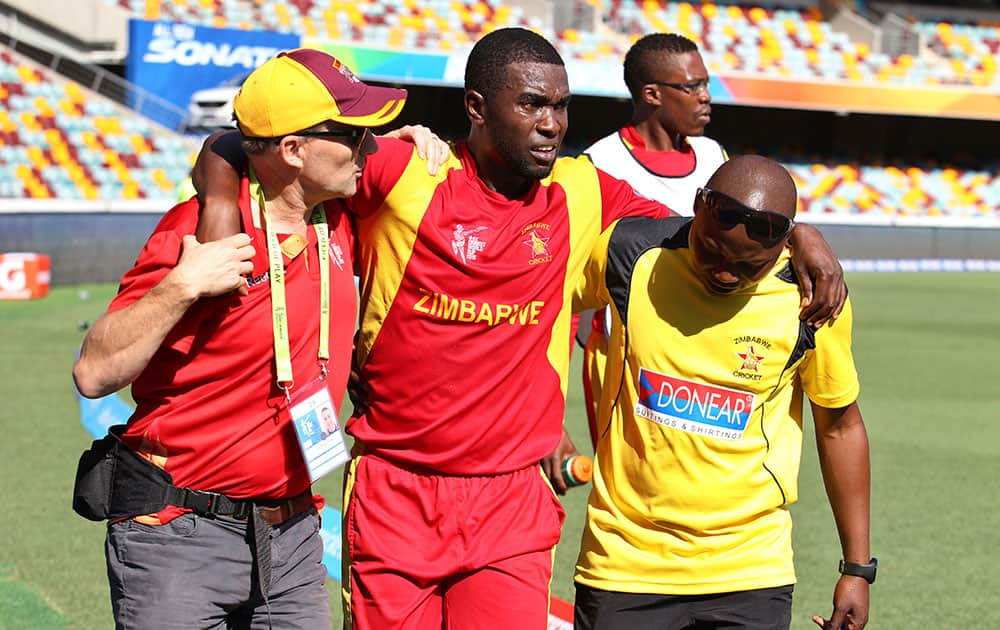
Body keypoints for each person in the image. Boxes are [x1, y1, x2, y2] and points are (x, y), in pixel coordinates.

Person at [193, 31, 845, 629]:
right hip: (397, 488)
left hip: (513, 501)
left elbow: (716, 220)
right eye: (533, 105)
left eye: (561, 107)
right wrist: (221, 205)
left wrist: (797, 232)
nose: (552, 125)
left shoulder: (584, 191)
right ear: (476, 106)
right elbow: (237, 143)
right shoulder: (405, 172)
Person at [72, 50, 419, 629]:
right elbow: (94, 372)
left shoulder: (336, 214)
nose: (370, 146)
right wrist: (180, 287)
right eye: (355, 133)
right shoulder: (198, 231)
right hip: (180, 531)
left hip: (292, 534)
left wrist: (414, 145)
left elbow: (225, 144)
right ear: (293, 150)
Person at [572, 155, 873, 630]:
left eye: (749, 265)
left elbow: (839, 427)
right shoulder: (630, 254)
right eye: (710, 251)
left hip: (750, 572)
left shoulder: (812, 297)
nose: (725, 272)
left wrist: (858, 569)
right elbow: (533, 306)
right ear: (697, 210)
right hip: (623, 565)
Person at [575, 32, 842, 451]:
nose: (706, 96)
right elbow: (571, 282)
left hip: (716, 339)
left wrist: (803, 233)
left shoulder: (714, 156)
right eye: (693, 85)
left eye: (706, 83)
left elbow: (753, 233)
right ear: (652, 93)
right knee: (631, 478)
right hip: (628, 351)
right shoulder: (598, 163)